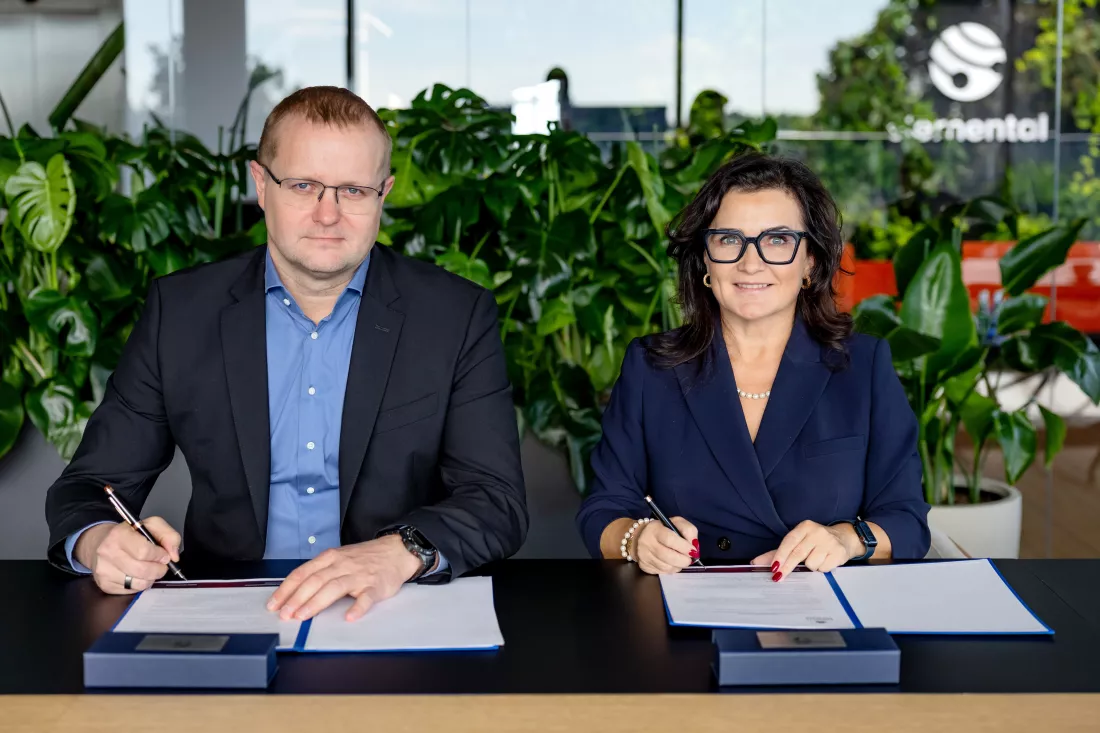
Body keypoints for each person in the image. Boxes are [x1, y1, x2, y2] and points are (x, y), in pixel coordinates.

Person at [45, 86, 528, 621]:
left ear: (383, 194)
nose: (328, 214)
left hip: (390, 610)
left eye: (353, 190)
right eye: (303, 185)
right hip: (227, 609)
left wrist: (402, 551)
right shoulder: (181, 313)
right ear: (260, 184)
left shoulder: (455, 316)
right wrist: (100, 541)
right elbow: (90, 486)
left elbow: (496, 500)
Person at [576, 152, 930, 579]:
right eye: (729, 239)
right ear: (705, 259)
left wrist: (847, 539)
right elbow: (603, 510)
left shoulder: (864, 366)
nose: (750, 262)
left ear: (810, 260)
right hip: (689, 606)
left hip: (822, 605)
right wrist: (636, 539)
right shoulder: (650, 367)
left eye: (777, 240)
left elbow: (907, 520)